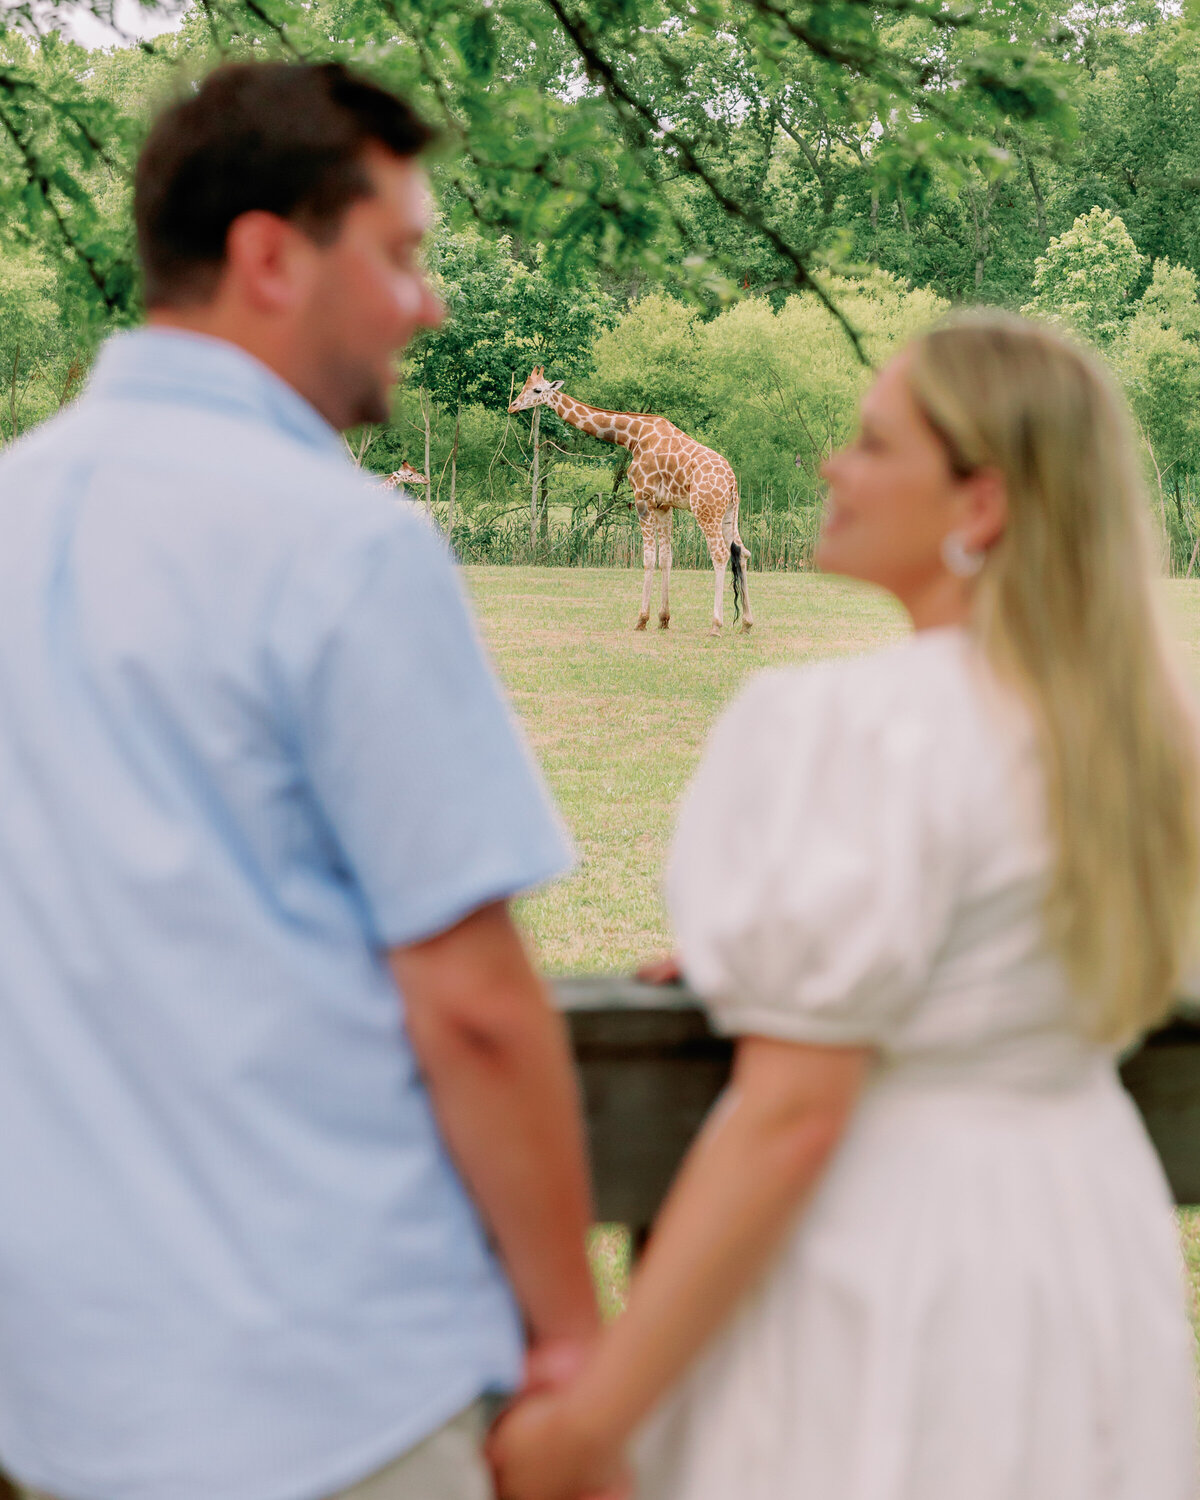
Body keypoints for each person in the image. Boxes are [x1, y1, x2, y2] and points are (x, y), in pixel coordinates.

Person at [0, 62, 601, 1500]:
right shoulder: (345, 546)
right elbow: (473, 1009)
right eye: (401, 255)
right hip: (331, 1396)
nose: (429, 302)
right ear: (272, 255)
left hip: (55, 1397)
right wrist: (572, 1344)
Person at [489, 311, 1200, 1500]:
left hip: (905, 1266)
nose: (832, 466)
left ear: (978, 507)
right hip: (1094, 1253)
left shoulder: (845, 729)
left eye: (874, 445)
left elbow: (793, 1115)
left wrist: (596, 1421)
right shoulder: (1143, 743)